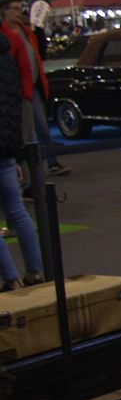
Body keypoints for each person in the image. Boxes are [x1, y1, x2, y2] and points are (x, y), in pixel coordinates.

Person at [1, 0, 69, 176]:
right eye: (14, 9)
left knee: (40, 127)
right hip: (15, 89)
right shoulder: (7, 35)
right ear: (5, 11)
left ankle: (50, 163)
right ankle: (27, 172)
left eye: (20, 9)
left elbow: (39, 56)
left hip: (32, 85)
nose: (19, 12)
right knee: (25, 131)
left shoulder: (27, 33)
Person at [0, 37, 45, 289]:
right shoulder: (7, 54)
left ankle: (10, 278)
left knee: (16, 211)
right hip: (7, 145)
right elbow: (13, 103)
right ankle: (35, 272)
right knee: (17, 210)